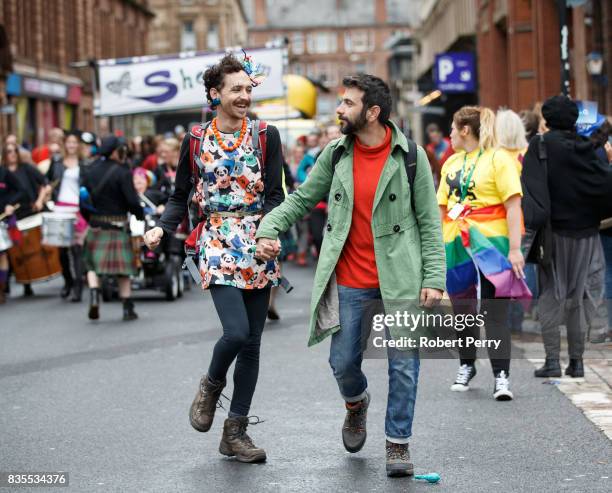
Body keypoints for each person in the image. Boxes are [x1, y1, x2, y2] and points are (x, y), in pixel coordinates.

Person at [255, 74, 445, 477]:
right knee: (342, 362)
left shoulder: (411, 156)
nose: (339, 110)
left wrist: (434, 277)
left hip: (402, 277)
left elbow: (430, 222)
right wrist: (268, 227)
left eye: (347, 103)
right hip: (351, 278)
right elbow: (304, 198)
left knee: (403, 363)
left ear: (372, 112)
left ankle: (397, 444)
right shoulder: (337, 154)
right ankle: (356, 403)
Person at [144, 53, 284, 464]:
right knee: (236, 332)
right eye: (235, 89)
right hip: (217, 241)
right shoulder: (195, 139)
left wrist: (271, 232)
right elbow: (178, 196)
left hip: (259, 241)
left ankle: (234, 433)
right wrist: (162, 228)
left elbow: (275, 196)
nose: (244, 96)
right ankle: (210, 384)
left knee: (253, 345)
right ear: (215, 94)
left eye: (247, 89)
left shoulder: (266, 134)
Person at [438, 106, 530, 400]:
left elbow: (513, 205)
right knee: (463, 311)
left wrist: (515, 249)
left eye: (453, 127)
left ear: (465, 129)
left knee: (495, 312)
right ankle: (467, 364)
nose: (449, 133)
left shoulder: (499, 159)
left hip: (493, 246)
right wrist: (466, 215)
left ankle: (501, 376)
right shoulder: (450, 163)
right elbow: (443, 207)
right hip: (456, 244)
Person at [522, 96, 612, 377]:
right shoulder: (586, 147)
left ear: (546, 120)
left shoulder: (540, 145)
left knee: (551, 295)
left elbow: (530, 188)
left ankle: (551, 362)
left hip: (552, 235)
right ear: (574, 120)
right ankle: (577, 362)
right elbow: (604, 182)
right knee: (580, 296)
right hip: (587, 234)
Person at [81, 135, 144, 321]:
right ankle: (127, 307)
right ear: (117, 151)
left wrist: (90, 219)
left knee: (92, 265)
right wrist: (139, 215)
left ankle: (94, 293)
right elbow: (132, 201)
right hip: (117, 225)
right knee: (123, 270)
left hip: (96, 225)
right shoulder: (123, 172)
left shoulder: (89, 170)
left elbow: (82, 200)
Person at [46, 131, 89, 302]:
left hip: (78, 208)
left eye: (74, 142)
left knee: (77, 249)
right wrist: (47, 192)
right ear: (65, 144)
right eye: (68, 142)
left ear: (78, 145)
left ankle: (78, 287)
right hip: (60, 207)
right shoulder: (56, 162)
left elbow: (89, 186)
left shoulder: (85, 164)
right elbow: (47, 181)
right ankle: (68, 282)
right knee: (62, 250)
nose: (71, 145)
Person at [3, 141, 50, 297]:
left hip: (29, 211)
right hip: (12, 216)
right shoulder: (3, 172)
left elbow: (44, 183)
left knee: (31, 246)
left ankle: (33, 276)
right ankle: (12, 282)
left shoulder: (26, 169)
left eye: (14, 151)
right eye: (8, 151)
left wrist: (39, 200)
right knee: (12, 250)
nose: (12, 154)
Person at [0, 152, 24, 304]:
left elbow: (20, 190)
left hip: (2, 218)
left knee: (2, 255)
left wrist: (10, 204)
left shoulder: (4, 172)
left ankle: (1, 289)